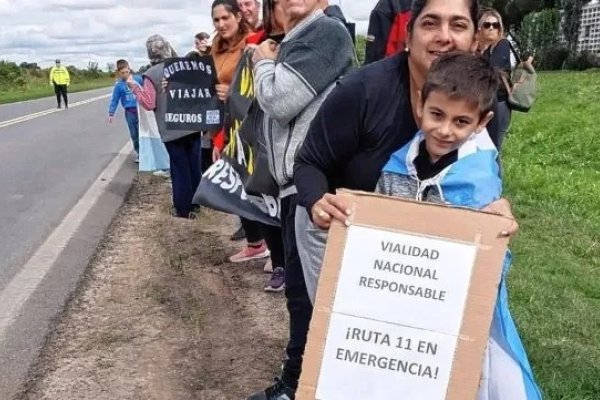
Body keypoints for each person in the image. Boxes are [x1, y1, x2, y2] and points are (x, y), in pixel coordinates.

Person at [294, 0, 519, 306]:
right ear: (409, 35)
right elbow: (308, 161)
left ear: (474, 40)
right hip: (337, 230)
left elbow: (479, 172)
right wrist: (317, 202)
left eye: (458, 25)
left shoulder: (480, 102)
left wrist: (495, 213)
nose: (444, 35)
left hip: (418, 254)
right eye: (430, 23)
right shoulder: (362, 90)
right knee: (341, 331)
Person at [375, 51, 541, 400]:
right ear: (420, 104)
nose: (445, 130)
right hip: (398, 305)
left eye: (461, 122)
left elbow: (493, 264)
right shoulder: (394, 167)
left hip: (452, 313)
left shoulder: (479, 182)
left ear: (481, 122)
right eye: (437, 114)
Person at [247, 0, 354, 398]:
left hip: (315, 186)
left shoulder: (324, 32)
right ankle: (301, 381)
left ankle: (300, 385)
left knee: (311, 296)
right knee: (301, 292)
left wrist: (261, 61)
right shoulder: (295, 39)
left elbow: (279, 102)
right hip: (299, 186)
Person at [210, 0, 271, 262]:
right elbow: (206, 82)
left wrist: (232, 93)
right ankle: (255, 244)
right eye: (216, 20)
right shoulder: (216, 48)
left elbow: (262, 83)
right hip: (228, 126)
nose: (221, 24)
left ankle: (275, 252)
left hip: (254, 125)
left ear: (238, 17)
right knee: (237, 187)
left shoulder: (255, 42)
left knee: (261, 189)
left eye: (226, 18)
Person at [128, 34, 202, 219]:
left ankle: (183, 209)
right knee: (194, 165)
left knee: (179, 168)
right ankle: (197, 204)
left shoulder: (151, 75)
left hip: (171, 129)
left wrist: (135, 88)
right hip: (192, 124)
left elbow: (149, 103)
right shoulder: (183, 67)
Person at [478, 8, 512, 150]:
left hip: (499, 103)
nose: (491, 28)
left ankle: (495, 173)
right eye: (487, 25)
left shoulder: (502, 45)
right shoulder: (479, 50)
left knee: (493, 148)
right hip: (481, 103)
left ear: (500, 28)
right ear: (480, 28)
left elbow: (492, 69)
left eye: (495, 25)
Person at [107, 59, 143, 160]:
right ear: (119, 73)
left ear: (129, 70)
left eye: (127, 72)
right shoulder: (119, 86)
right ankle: (139, 152)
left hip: (141, 110)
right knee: (134, 134)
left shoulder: (138, 79)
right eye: (122, 73)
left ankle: (146, 153)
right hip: (130, 112)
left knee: (143, 133)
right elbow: (115, 100)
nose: (125, 74)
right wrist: (111, 113)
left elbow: (147, 90)